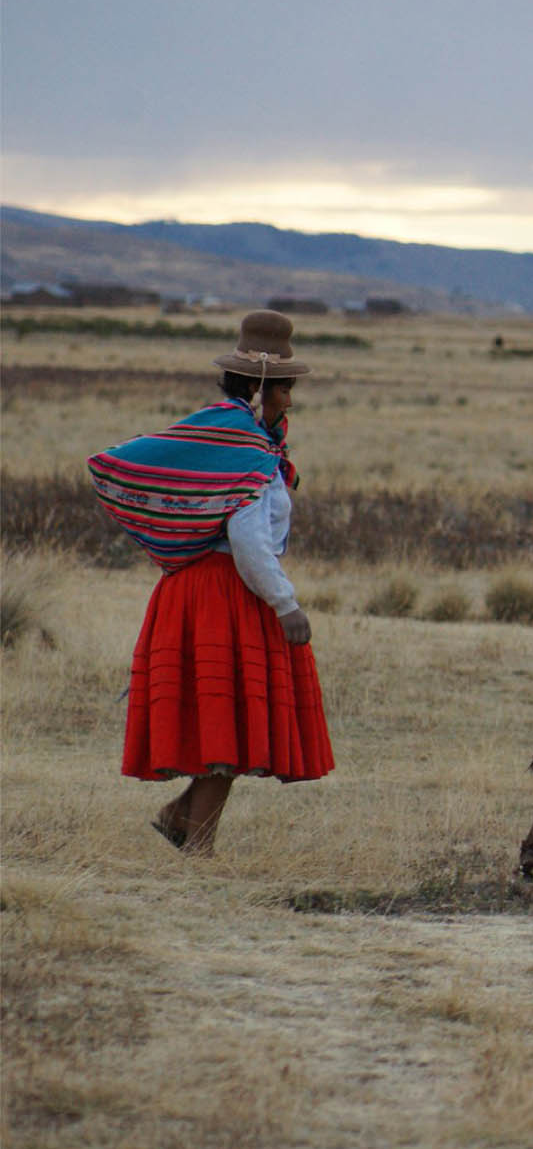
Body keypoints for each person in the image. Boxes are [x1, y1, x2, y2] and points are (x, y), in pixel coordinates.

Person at [87, 311, 335, 854]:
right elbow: (248, 540)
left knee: (226, 722)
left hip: (191, 592)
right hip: (227, 593)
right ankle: (199, 849)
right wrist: (285, 603)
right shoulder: (248, 451)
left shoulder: (221, 434)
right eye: (286, 389)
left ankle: (181, 819)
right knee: (231, 725)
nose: (290, 401)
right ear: (259, 388)